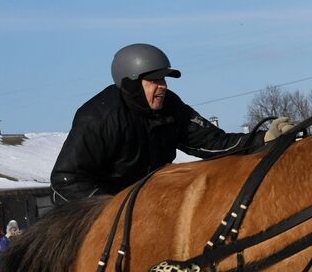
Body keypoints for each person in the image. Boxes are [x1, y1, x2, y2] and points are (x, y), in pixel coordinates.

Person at [49, 43, 295, 202]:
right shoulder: (99, 117)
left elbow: (215, 143)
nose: (163, 87)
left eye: (164, 80)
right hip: (91, 215)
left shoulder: (171, 108)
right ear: (132, 83)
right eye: (154, 81)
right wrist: (111, 208)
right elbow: (65, 179)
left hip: (142, 208)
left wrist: (264, 139)